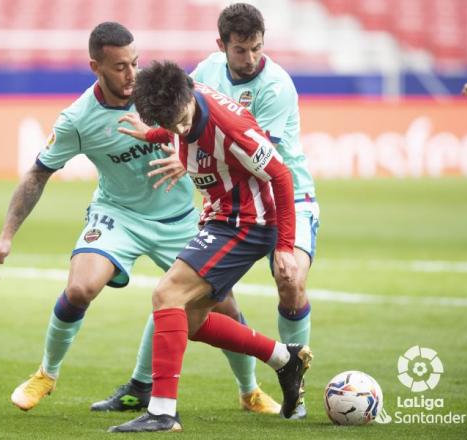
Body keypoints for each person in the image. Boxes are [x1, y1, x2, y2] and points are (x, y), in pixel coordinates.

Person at [0, 22, 266, 414]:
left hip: (181, 216)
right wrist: (6, 235)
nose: (132, 74)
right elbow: (38, 172)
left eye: (135, 63)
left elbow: (211, 126)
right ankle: (46, 375)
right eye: (120, 67)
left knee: (224, 308)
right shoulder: (78, 119)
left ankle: (249, 390)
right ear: (95, 66)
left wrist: (187, 161)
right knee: (81, 287)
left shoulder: (161, 91)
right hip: (119, 215)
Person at [95, 2, 318, 419]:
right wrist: (160, 131)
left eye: (180, 122)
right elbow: (182, 124)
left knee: (170, 293)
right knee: (193, 321)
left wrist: (285, 245)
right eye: (170, 126)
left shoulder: (240, 126)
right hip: (227, 208)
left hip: (251, 216)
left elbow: (279, 175)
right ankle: (284, 360)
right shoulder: (191, 90)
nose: (178, 132)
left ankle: (162, 412)